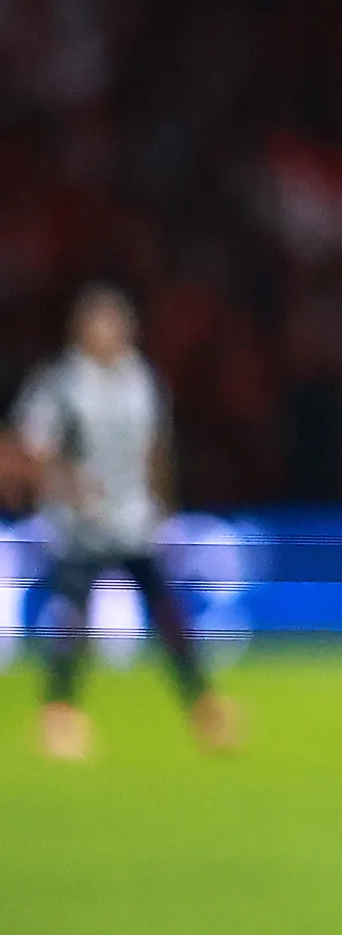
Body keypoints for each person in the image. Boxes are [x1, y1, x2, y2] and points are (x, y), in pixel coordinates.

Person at [14, 285, 241, 761]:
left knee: (168, 612)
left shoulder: (141, 380)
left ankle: (203, 705)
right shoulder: (61, 384)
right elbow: (33, 448)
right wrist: (65, 485)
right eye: (102, 323)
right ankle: (59, 712)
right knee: (71, 618)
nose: (112, 333)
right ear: (81, 331)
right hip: (83, 523)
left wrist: (165, 507)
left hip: (134, 519)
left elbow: (156, 450)